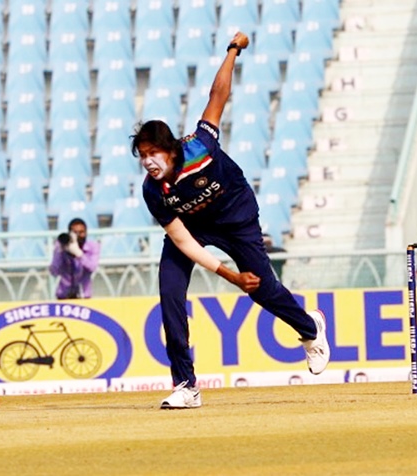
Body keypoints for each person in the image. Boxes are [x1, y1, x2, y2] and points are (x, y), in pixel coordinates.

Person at [130, 32, 330, 409]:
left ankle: (309, 328)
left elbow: (217, 95)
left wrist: (233, 50)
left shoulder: (199, 147)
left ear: (170, 148)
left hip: (236, 218)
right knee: (170, 294)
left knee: (262, 289)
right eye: (142, 155)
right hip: (193, 229)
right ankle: (186, 385)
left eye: (154, 151)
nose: (149, 161)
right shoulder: (153, 191)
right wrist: (229, 276)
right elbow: (184, 242)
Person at [49, 218, 100, 299]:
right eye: (75, 233)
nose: (78, 235)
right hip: (63, 295)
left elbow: (92, 267)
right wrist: (59, 252)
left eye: (81, 232)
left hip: (84, 295)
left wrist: (79, 254)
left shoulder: (92, 247)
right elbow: (54, 271)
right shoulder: (62, 247)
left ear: (86, 233)